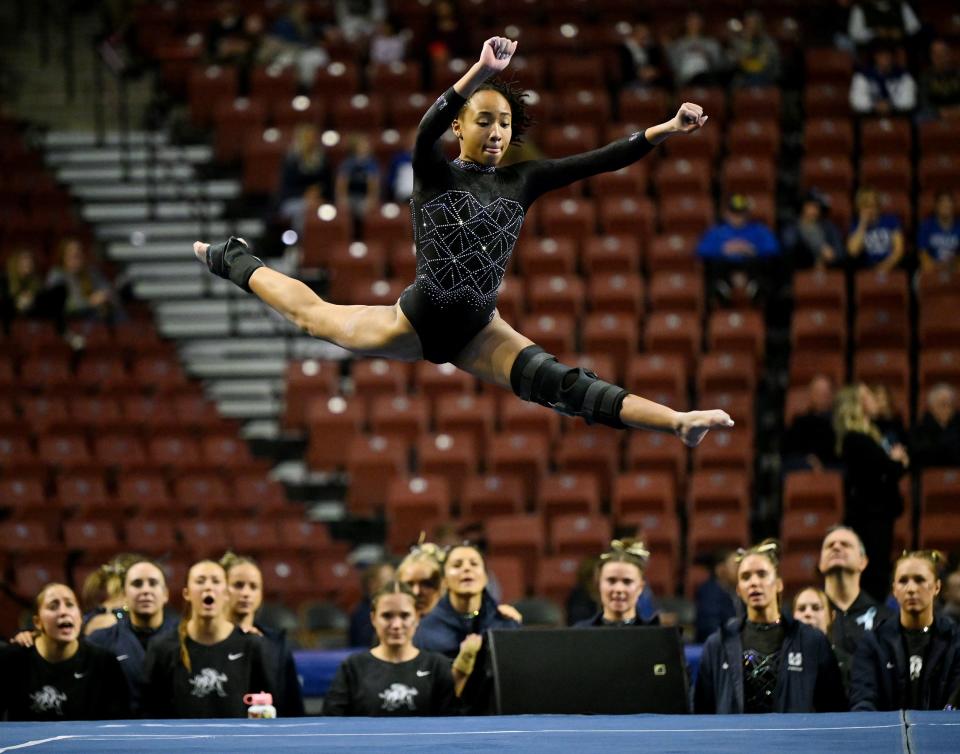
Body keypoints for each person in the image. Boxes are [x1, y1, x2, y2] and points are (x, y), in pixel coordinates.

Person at [194, 35, 733, 447]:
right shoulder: (435, 171)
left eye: (504, 123)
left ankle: (677, 422)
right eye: (484, 120)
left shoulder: (524, 181)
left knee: (565, 387)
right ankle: (233, 259)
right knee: (314, 318)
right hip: (416, 321)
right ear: (461, 126)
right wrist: (481, 71)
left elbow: (602, 159)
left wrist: (664, 129)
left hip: (480, 331)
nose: (496, 131)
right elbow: (423, 132)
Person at [693, 540, 846, 714]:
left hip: (794, 740)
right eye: (745, 577)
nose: (754, 582)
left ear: (779, 584)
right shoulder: (718, 644)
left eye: (762, 574)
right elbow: (702, 713)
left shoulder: (812, 641)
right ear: (738, 589)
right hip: (737, 741)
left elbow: (835, 709)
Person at [142, 560, 273, 718]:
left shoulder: (251, 645)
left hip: (236, 741)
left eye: (216, 581)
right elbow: (150, 711)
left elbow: (269, 707)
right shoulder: (162, 647)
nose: (208, 587)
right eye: (200, 581)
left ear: (226, 594)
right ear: (187, 593)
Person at [414, 543, 520, 714]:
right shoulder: (425, 632)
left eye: (474, 564)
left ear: (486, 578)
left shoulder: (506, 624)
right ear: (444, 581)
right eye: (457, 565)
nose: (466, 569)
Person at [324, 581, 456, 716]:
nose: (396, 625)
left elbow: (452, 725)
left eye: (404, 615)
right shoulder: (353, 667)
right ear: (373, 618)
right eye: (387, 616)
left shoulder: (437, 666)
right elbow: (332, 724)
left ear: (417, 617)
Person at [0, 583, 129, 720]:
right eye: (53, 606)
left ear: (80, 617)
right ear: (37, 622)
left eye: (70, 604)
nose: (63, 612)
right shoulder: (12, 659)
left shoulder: (104, 662)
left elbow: (117, 725)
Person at [850, 550, 960, 710]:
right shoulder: (873, 643)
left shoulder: (955, 640)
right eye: (903, 581)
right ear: (894, 590)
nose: (911, 589)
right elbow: (863, 702)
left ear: (937, 587)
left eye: (919, 580)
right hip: (886, 734)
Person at [834, 384, 909, 601]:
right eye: (868, 395)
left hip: (880, 513)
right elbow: (885, 470)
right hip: (868, 516)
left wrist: (895, 463)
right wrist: (896, 462)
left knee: (880, 569)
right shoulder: (855, 438)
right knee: (872, 572)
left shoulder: (873, 433)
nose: (875, 398)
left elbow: (892, 467)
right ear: (857, 405)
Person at [86, 558, 179, 715]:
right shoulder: (101, 641)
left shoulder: (185, 638)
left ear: (165, 594)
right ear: (124, 595)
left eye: (153, 583)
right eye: (137, 584)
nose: (145, 590)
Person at [221, 552, 305, 716]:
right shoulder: (206, 642)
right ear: (222, 589)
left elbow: (293, 705)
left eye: (253, 586)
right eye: (238, 585)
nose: (246, 593)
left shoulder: (277, 645)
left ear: (261, 594)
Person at [819, 526, 894, 687]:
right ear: (820, 563)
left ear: (863, 561)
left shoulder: (886, 619)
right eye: (829, 545)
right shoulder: (804, 616)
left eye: (845, 544)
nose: (836, 547)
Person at [697, 194, 781, 305]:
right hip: (725, 266)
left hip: (751, 265)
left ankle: (755, 288)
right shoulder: (717, 231)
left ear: (747, 213)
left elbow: (774, 247)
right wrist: (723, 249)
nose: (737, 217)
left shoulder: (758, 229)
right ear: (727, 213)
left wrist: (752, 249)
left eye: (741, 213)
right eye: (734, 213)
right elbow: (701, 250)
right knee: (716, 265)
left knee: (762, 266)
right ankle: (722, 289)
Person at [574, 540, 659, 627]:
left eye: (627, 581)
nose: (619, 589)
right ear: (599, 584)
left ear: (640, 587)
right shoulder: (579, 633)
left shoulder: (656, 635)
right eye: (611, 581)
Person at [277, 124, 333, 235]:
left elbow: (328, 184)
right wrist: (305, 195)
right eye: (307, 138)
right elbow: (286, 188)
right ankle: (300, 246)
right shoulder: (291, 160)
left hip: (319, 200)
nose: (310, 141)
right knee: (304, 212)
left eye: (313, 138)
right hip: (293, 201)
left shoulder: (322, 160)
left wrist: (318, 195)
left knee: (327, 212)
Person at [45, 237, 118, 323]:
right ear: (63, 257)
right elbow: (60, 305)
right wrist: (90, 302)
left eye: (79, 254)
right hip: (70, 322)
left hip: (95, 320)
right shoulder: (57, 275)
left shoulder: (92, 273)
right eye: (73, 255)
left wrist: (105, 298)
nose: (77, 257)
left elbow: (108, 292)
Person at [782, 374, 839, 472]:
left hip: (831, 465)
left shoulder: (838, 422)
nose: (821, 396)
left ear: (830, 395)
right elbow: (789, 450)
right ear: (810, 394)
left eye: (824, 392)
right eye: (817, 392)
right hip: (804, 464)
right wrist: (809, 460)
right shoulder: (800, 421)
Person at [781, 190, 844, 270]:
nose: (815, 211)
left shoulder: (828, 227)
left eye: (818, 207)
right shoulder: (793, 226)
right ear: (804, 206)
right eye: (812, 206)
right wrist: (819, 250)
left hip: (829, 269)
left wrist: (832, 255)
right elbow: (789, 247)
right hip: (801, 269)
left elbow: (840, 252)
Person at [846, 187, 906, 271]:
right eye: (865, 206)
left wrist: (885, 266)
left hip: (891, 267)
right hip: (867, 269)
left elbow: (899, 250)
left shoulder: (891, 220)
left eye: (872, 205)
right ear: (859, 208)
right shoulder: (856, 225)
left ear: (878, 205)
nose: (870, 209)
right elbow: (853, 252)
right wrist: (863, 224)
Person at [849, 43, 917, 115]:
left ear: (893, 57)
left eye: (887, 55)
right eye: (881, 55)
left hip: (898, 115)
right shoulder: (863, 76)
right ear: (875, 57)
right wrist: (874, 105)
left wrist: (890, 105)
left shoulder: (903, 76)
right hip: (869, 116)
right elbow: (856, 101)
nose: (885, 58)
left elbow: (909, 100)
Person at [336, 134, 380, 236]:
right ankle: (348, 237)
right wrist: (342, 198)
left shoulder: (371, 164)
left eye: (366, 145)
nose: (364, 148)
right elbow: (342, 183)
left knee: (362, 209)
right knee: (347, 210)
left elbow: (374, 185)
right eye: (361, 145)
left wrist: (371, 199)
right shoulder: (348, 163)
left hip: (364, 197)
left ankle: (362, 238)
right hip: (351, 196)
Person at [667, 11, 724, 87]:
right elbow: (674, 65)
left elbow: (719, 65)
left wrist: (707, 56)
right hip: (685, 78)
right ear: (686, 24)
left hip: (706, 77)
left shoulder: (711, 43)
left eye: (697, 22)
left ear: (702, 24)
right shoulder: (677, 44)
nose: (694, 25)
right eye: (691, 22)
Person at [695, 549, 740, 643]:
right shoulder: (709, 592)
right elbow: (711, 628)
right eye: (736, 566)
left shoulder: (739, 592)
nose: (740, 569)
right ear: (720, 570)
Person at [727, 10, 781, 88]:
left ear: (760, 25)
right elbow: (732, 62)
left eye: (754, 23)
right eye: (748, 23)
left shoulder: (769, 42)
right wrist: (746, 42)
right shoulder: (737, 42)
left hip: (765, 76)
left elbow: (775, 64)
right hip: (743, 77)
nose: (751, 26)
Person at [349, 560, 396, 648]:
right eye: (388, 579)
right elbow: (366, 644)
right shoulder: (362, 613)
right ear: (372, 583)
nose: (394, 584)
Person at [912, 383, 960, 469]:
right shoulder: (920, 429)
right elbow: (923, 455)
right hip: (929, 477)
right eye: (943, 404)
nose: (947, 408)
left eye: (950, 404)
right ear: (932, 407)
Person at [917, 191, 960, 272]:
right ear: (936, 206)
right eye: (942, 203)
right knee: (926, 266)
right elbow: (922, 252)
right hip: (933, 265)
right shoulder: (926, 225)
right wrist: (936, 266)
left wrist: (953, 264)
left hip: (954, 266)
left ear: (953, 206)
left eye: (949, 203)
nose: (946, 206)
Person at [619, 20, 667, 89]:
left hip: (651, 79)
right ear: (635, 34)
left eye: (647, 36)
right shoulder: (623, 49)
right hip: (631, 80)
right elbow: (623, 69)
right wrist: (638, 73)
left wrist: (653, 71)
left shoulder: (651, 48)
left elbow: (657, 64)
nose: (645, 39)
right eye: (643, 36)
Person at [920, 40, 960, 120]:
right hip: (935, 113)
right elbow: (924, 102)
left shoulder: (958, 73)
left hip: (957, 110)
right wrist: (939, 112)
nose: (940, 56)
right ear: (931, 56)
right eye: (936, 53)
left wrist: (955, 111)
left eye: (943, 52)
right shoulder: (925, 76)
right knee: (920, 117)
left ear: (949, 54)